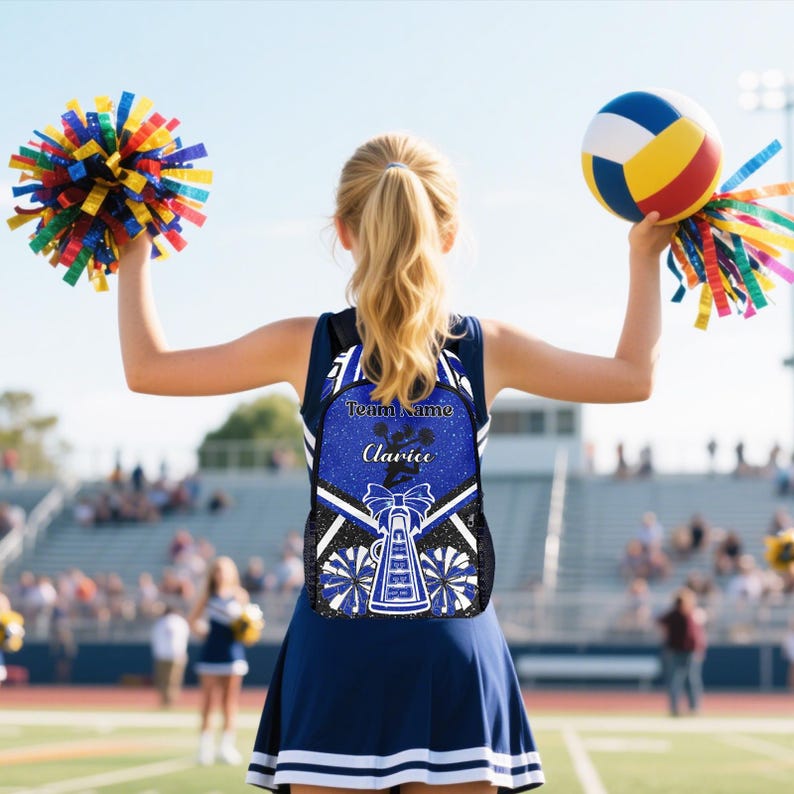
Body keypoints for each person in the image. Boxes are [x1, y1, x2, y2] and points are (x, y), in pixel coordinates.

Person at [118, 132, 672, 792]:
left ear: (343, 231)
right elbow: (633, 376)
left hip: (337, 645)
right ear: (449, 233)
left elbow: (148, 369)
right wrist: (645, 256)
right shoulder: (487, 347)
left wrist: (133, 247)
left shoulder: (303, 345)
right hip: (453, 642)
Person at [188, 556, 250, 766]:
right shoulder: (208, 596)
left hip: (233, 654)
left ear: (232, 573)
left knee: (229, 702)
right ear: (212, 574)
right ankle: (204, 747)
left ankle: (226, 747)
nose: (221, 575)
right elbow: (192, 620)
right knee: (208, 702)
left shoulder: (240, 596)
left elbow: (247, 625)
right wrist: (203, 633)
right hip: (211, 655)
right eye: (217, 571)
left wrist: (248, 633)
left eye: (225, 571)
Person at [657, 587, 707, 716]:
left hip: (690, 651)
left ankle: (694, 707)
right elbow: (660, 623)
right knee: (675, 680)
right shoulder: (673, 615)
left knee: (692, 680)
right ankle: (675, 708)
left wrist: (699, 648)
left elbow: (697, 634)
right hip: (675, 651)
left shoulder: (693, 615)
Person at [150, 605, 190, 708]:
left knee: (164, 679)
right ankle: (169, 701)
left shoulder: (161, 622)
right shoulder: (181, 622)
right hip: (176, 655)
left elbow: (155, 638)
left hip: (162, 655)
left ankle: (165, 701)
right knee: (173, 679)